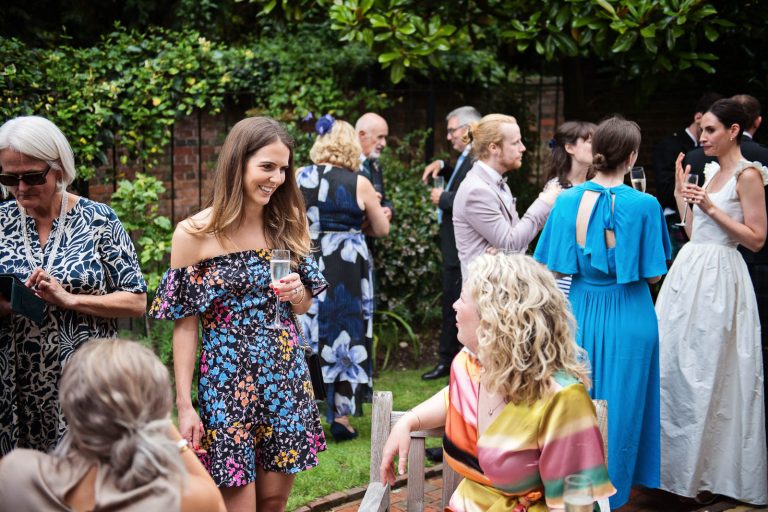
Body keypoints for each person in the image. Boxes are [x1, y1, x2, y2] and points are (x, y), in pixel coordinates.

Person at [149, 116, 328, 511]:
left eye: (283, 169)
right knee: (237, 503)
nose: (277, 178)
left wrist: (298, 292)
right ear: (238, 164)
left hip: (285, 374)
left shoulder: (287, 224)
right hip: (227, 383)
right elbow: (185, 324)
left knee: (275, 501)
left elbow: (303, 305)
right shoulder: (194, 234)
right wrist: (184, 402)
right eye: (267, 167)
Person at [380, 253, 615, 511]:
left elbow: (575, 504)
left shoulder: (561, 398)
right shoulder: (469, 366)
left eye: (463, 299)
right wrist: (408, 421)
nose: (454, 306)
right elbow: (457, 397)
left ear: (495, 317)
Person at [534, 116, 671, 508]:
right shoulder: (645, 205)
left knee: (575, 404)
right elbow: (652, 274)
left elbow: (552, 268)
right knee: (625, 408)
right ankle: (615, 497)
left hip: (581, 312)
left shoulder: (566, 201)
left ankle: (575, 494)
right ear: (631, 157)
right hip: (631, 314)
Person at [0, 116, 147, 457]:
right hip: (13, 386)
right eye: (9, 178)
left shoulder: (99, 220)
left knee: (85, 485)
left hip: (84, 382)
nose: (20, 188)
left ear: (60, 169)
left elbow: (136, 301)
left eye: (33, 176)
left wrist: (69, 299)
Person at [656, 98, 768, 505]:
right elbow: (690, 229)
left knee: (714, 373)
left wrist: (708, 207)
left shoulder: (747, 174)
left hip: (722, 278)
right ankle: (678, 471)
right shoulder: (709, 171)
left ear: (734, 131)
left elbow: (755, 238)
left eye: (710, 130)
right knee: (677, 370)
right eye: (701, 129)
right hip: (688, 274)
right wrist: (681, 195)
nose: (702, 137)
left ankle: (715, 478)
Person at [0, 338, 226, 511]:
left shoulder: (15, 474)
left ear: (69, 401)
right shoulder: (175, 498)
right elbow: (216, 503)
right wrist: (157, 417)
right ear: (155, 413)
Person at [296, 116, 390, 442]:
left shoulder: (299, 178)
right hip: (348, 265)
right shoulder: (359, 181)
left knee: (308, 332)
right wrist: (359, 224)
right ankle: (342, 416)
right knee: (345, 332)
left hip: (309, 257)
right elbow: (382, 228)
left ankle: (306, 413)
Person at [452, 114, 561, 281]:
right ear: (493, 147)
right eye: (516, 142)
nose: (523, 148)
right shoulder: (477, 190)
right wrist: (545, 201)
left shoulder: (497, 183)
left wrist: (507, 247)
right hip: (483, 298)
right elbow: (513, 242)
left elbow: (518, 243)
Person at [420, 106, 482, 382]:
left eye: (452, 130)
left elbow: (472, 200)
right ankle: (450, 360)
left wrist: (442, 199)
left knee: (457, 303)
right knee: (451, 301)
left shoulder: (479, 159)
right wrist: (443, 165)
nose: (448, 137)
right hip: (453, 246)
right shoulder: (465, 158)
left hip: (462, 248)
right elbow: (459, 176)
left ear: (469, 130)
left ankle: (454, 360)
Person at [653, 92, 721, 258]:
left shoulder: (718, 150)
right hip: (677, 221)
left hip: (709, 222)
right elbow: (664, 191)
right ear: (699, 117)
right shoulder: (670, 146)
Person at [542, 120, 597, 296]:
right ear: (570, 148)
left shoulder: (598, 186)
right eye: (590, 142)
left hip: (592, 273)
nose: (597, 147)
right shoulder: (556, 189)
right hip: (564, 277)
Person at [356, 112, 394, 222]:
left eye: (385, 137)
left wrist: (389, 209)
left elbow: (383, 200)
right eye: (380, 137)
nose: (384, 143)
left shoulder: (375, 164)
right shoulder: (345, 163)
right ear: (362, 135)